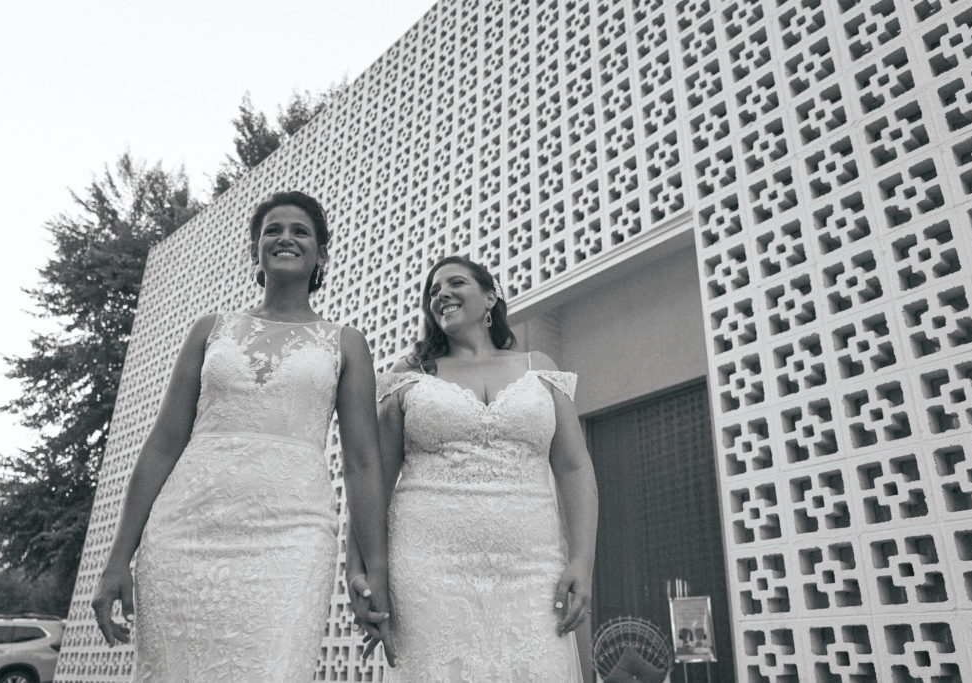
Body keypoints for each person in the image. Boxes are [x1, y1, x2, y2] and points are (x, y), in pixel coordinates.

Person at [91, 191, 392, 681]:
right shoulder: (211, 330)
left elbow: (363, 463)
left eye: (300, 231)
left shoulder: (345, 342)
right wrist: (117, 559)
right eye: (273, 230)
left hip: (291, 536)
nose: (286, 238)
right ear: (255, 248)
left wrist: (374, 569)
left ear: (321, 253)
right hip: (185, 532)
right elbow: (164, 443)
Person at [348, 255, 598, 681]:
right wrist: (359, 569)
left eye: (455, 283)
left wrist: (582, 561)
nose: (440, 294)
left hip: (532, 566)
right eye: (432, 291)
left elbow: (575, 469)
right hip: (428, 567)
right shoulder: (410, 374)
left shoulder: (540, 368)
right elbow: (373, 477)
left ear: (490, 297)